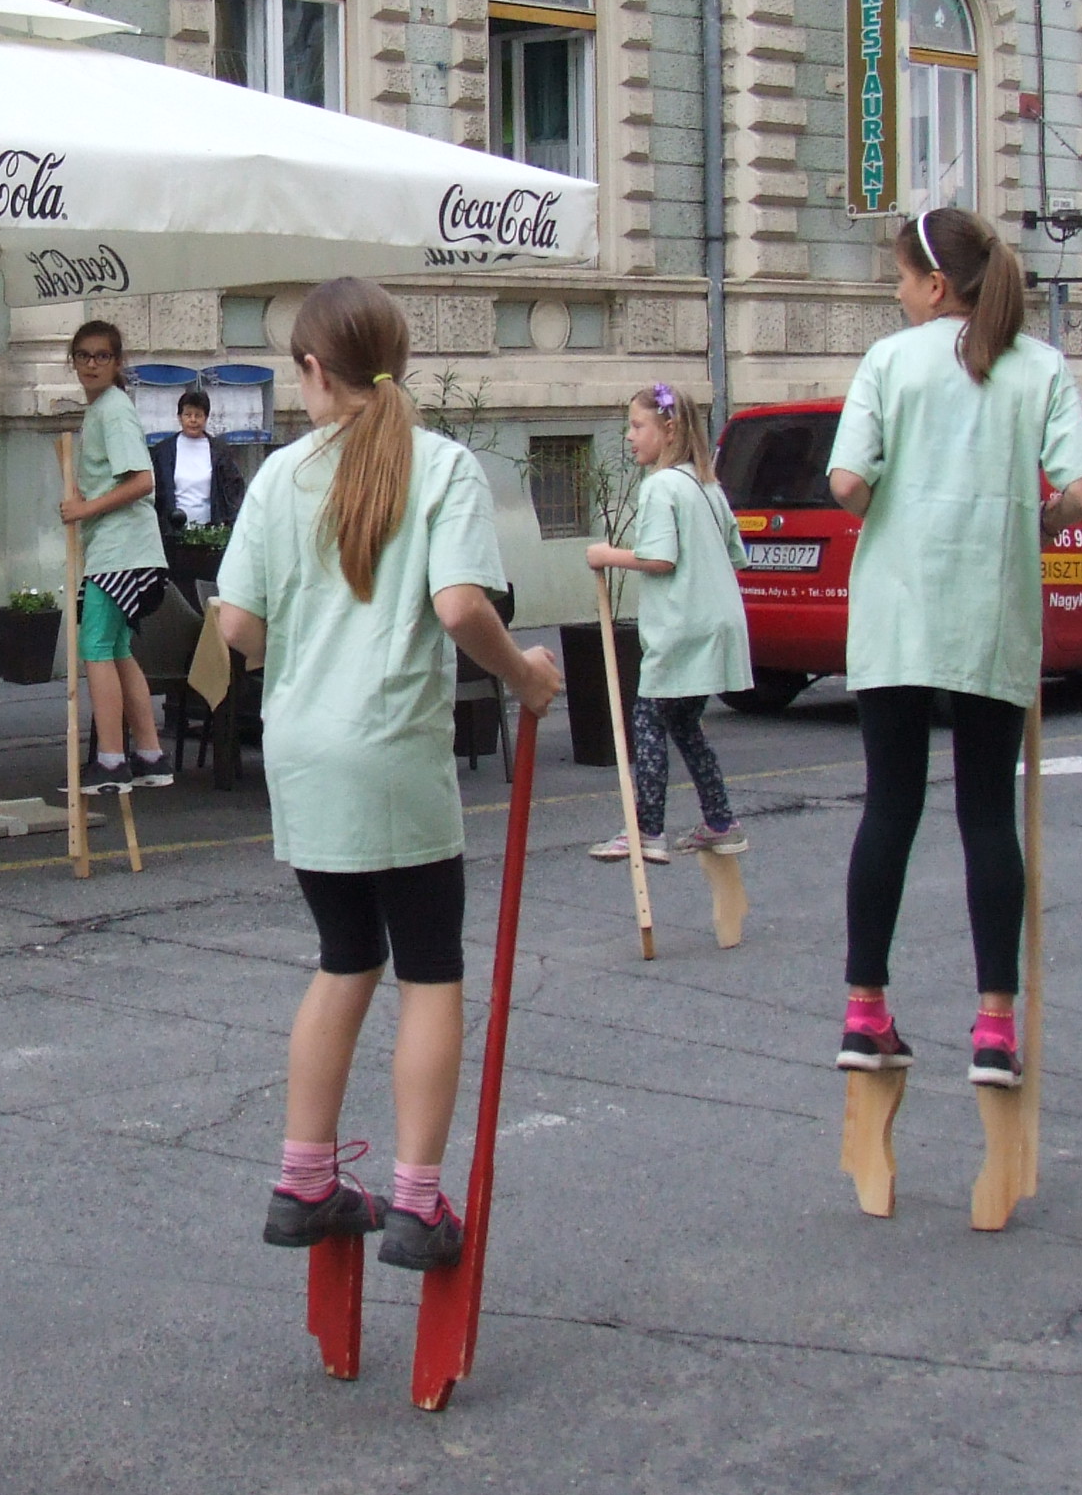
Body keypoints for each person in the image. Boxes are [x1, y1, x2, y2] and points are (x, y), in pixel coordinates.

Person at [210, 278, 563, 1273]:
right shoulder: (441, 466)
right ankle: (415, 1201)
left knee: (344, 956)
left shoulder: (279, 476)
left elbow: (235, 628)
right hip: (393, 747)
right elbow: (459, 607)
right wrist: (525, 677)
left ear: (312, 370)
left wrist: (302, 637)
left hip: (303, 749)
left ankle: (302, 1178)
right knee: (429, 968)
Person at [827, 207, 1082, 1091]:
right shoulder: (1038, 366)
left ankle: (865, 1011)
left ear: (935, 285)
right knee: (988, 817)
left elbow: (847, 481)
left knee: (889, 807)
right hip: (991, 610)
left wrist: (890, 507)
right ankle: (993, 1028)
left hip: (896, 616)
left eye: (902, 279)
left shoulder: (888, 361)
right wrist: (1042, 519)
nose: (897, 293)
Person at [585, 381, 754, 866]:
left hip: (682, 625)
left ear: (669, 429)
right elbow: (735, 553)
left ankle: (647, 829)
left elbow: (660, 558)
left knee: (648, 720)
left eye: (638, 425)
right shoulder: (707, 485)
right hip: (718, 621)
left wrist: (606, 555)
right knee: (682, 722)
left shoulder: (661, 487)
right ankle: (720, 821)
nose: (629, 436)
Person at [61, 318, 173, 791]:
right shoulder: (102, 410)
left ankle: (110, 759)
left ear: (117, 362)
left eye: (101, 356)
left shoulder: (113, 410)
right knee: (118, 648)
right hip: (120, 550)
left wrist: (84, 509)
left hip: (121, 551)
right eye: (83, 356)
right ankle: (149, 754)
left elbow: (143, 480)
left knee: (95, 648)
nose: (91, 364)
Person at [151, 386, 253, 556]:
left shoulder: (220, 452)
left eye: (198, 415)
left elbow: (233, 494)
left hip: (211, 536)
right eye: (188, 415)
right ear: (179, 417)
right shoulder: (163, 452)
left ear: (206, 418)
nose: (193, 420)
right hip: (172, 537)